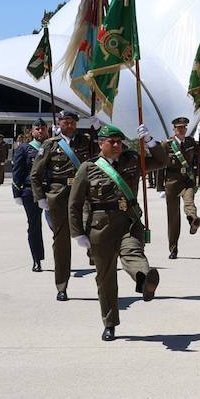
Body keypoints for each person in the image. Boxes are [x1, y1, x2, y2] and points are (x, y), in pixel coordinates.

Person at [69, 124, 168, 341]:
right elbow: (74, 203)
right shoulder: (88, 168)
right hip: (100, 228)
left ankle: (145, 280)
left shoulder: (132, 160)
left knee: (134, 254)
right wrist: (78, 234)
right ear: (100, 144)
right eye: (111, 142)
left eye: (119, 141)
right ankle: (110, 324)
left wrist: (151, 141)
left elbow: (162, 162)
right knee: (105, 279)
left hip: (128, 223)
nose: (116, 145)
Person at [31, 109, 98, 301]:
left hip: (83, 195)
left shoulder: (86, 141)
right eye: (66, 122)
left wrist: (99, 129)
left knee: (93, 230)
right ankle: (62, 285)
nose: (69, 125)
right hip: (58, 196)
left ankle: (93, 254)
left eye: (72, 122)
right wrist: (41, 197)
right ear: (59, 123)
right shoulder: (50, 144)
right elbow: (36, 173)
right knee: (61, 242)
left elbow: (105, 151)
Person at [10, 120, 49, 272]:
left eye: (43, 128)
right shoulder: (24, 149)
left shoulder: (53, 146)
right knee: (34, 226)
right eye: (37, 129)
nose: (40, 131)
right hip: (30, 192)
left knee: (58, 227)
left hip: (51, 191)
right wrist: (16, 193)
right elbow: (17, 172)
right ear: (32, 131)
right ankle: (37, 259)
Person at [163, 117, 200, 259]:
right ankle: (173, 248)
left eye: (184, 127)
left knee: (189, 202)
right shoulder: (167, 144)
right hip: (172, 183)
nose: (181, 130)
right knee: (173, 218)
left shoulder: (191, 142)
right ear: (174, 129)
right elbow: (161, 165)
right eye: (179, 128)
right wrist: (161, 187)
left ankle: (193, 220)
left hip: (187, 180)